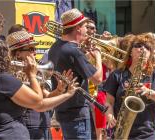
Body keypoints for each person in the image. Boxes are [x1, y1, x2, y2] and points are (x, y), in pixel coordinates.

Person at [0, 39, 77, 139]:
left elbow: (45, 97)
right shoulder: (5, 78)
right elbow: (39, 102)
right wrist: (32, 76)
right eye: (31, 49)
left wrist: (59, 90)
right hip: (23, 129)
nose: (35, 52)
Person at [48, 8, 103, 139]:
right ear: (78, 28)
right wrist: (98, 56)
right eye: (85, 26)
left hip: (62, 110)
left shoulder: (54, 47)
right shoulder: (74, 51)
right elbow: (98, 79)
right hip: (77, 113)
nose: (87, 31)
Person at [104, 33, 155, 139]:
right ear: (130, 51)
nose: (142, 49)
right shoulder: (117, 74)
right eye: (138, 45)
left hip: (147, 133)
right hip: (122, 131)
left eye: (147, 47)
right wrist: (110, 115)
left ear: (150, 54)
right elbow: (109, 102)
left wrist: (149, 92)